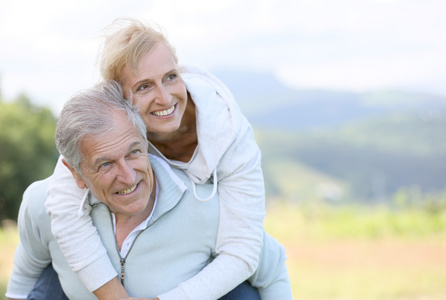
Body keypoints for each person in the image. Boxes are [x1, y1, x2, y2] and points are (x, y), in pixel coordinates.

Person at [45, 18, 272, 299]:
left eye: (170, 77)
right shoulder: (111, 127)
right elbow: (64, 208)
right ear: (118, 97)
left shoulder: (230, 134)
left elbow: (243, 249)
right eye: (144, 87)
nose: (165, 98)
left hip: (203, 259)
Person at [6, 80, 291, 300]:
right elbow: (24, 281)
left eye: (133, 153)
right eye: (105, 164)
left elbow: (272, 268)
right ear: (76, 174)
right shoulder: (41, 204)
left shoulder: (205, 206)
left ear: (146, 142)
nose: (128, 177)